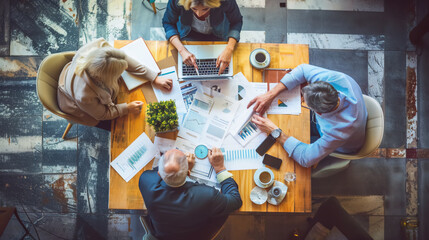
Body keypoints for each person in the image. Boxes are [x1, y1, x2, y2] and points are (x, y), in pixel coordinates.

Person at [248, 64, 368, 167]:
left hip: (343, 145)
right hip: (353, 117)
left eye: (304, 102)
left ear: (318, 113)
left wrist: (275, 131)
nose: (301, 101)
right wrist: (270, 94)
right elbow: (303, 70)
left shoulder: (338, 131)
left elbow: (305, 159)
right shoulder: (336, 79)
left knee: (288, 145)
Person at [57, 38, 172, 129]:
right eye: (119, 72)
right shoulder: (84, 96)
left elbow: (124, 59)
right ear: (105, 78)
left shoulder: (100, 46)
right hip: (79, 107)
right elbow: (103, 115)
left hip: (82, 84)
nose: (126, 69)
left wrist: (153, 77)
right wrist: (126, 108)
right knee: (118, 126)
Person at [138, 148, 242, 240]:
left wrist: (176, 168)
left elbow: (156, 172)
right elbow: (235, 200)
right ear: (189, 173)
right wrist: (220, 168)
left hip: (159, 236)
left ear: (159, 174)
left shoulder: (146, 180)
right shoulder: (206, 195)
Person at [162, 0, 243, 74]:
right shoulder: (176, 1)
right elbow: (168, 23)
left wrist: (229, 49)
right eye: (194, 8)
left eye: (205, 9)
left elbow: (236, 21)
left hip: (219, 35)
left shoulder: (226, 1)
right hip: (188, 35)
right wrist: (182, 50)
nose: (199, 14)